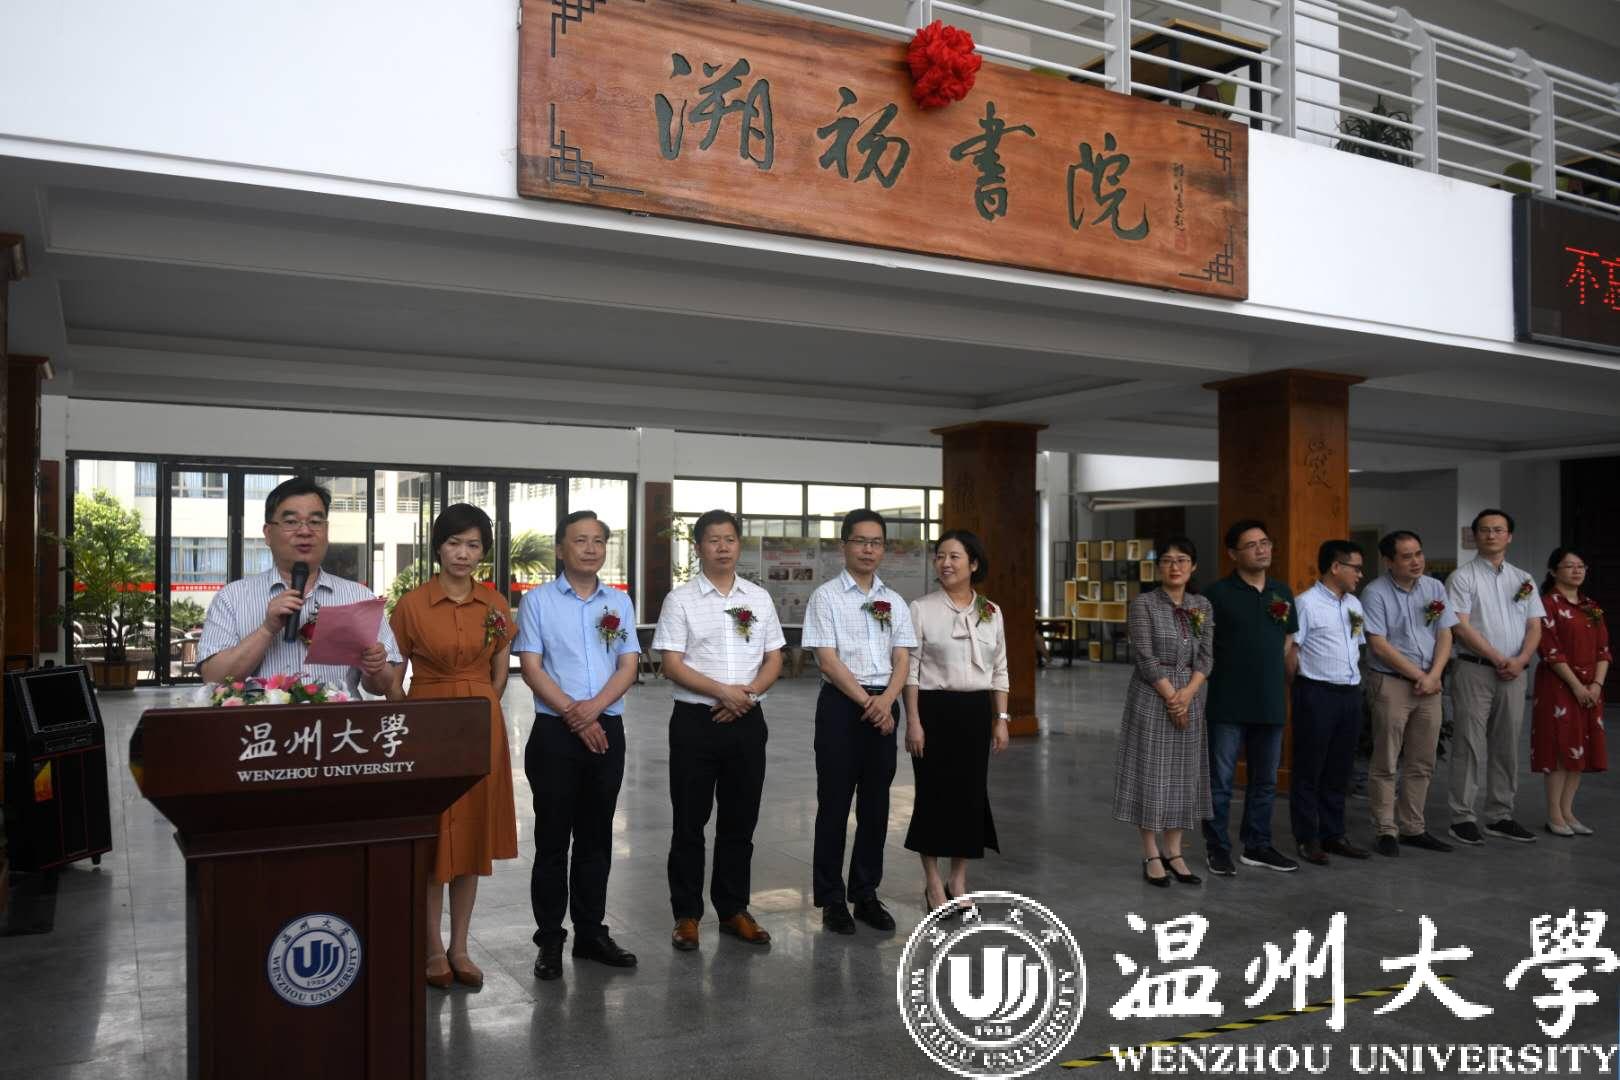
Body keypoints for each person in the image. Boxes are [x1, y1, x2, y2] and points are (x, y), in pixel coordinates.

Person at [389, 503, 519, 989]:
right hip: (429, 722)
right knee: (434, 835)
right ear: (438, 547)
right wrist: (409, 716)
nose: (463, 554)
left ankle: (460, 946)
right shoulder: (411, 605)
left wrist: (483, 701)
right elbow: (393, 675)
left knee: (472, 836)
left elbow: (501, 667)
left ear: (483, 552)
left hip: (480, 723)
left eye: (473, 545)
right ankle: (431, 947)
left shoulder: (495, 602)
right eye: (454, 543)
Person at [516, 510, 641, 979]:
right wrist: (574, 712)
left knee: (596, 836)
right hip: (555, 735)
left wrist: (593, 710)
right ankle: (550, 940)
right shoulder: (538, 602)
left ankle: (591, 933)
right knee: (552, 840)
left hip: (606, 730)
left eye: (598, 541)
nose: (590, 548)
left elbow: (628, 665)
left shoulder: (619, 601)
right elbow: (531, 668)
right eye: (580, 540)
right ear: (560, 549)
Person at [654, 509, 785, 952]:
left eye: (730, 539)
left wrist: (746, 696)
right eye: (713, 540)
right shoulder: (681, 600)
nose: (723, 547)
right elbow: (671, 664)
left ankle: (733, 910)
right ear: (698, 547)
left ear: (738, 545)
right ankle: (687, 915)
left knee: (740, 821)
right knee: (689, 822)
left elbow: (774, 657)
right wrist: (722, 693)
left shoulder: (759, 598)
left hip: (747, 720)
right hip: (696, 723)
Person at [803, 509, 916, 934]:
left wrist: (886, 701)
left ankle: (866, 893)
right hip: (841, 707)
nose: (868, 549)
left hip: (883, 705)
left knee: (876, 805)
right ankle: (832, 899)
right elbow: (827, 660)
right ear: (844, 545)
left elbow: (902, 657)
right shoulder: (826, 597)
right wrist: (869, 703)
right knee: (834, 804)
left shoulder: (895, 601)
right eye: (860, 541)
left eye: (876, 542)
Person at [198, 477, 400, 698]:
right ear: (268, 533)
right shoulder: (232, 598)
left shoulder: (359, 597)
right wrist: (267, 630)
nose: (305, 531)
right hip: (261, 719)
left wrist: (376, 665)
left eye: (315, 522)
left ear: (326, 531)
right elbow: (213, 678)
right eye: (291, 522)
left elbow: (381, 686)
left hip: (339, 719)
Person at [904, 530, 1009, 911]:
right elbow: (911, 670)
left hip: (975, 713)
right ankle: (933, 882)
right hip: (934, 711)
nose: (945, 563)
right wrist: (913, 721)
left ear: (973, 564)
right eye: (940, 556)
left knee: (969, 797)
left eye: (954, 557)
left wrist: (1001, 718)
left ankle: (958, 878)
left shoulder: (991, 611)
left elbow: (1000, 669)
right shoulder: (921, 609)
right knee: (932, 796)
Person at [1111, 536, 1213, 887]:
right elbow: (1145, 656)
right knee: (1152, 772)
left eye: (1182, 560)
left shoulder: (1201, 605)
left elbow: (1207, 656)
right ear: (1158, 567)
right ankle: (1151, 852)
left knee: (1184, 773)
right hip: (1152, 695)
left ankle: (1175, 851)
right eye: (1168, 560)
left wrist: (1189, 693)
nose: (1175, 566)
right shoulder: (1144, 604)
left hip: (1191, 692)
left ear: (1193, 566)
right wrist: (1173, 698)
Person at [1200, 520, 1300, 876]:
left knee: (1266, 781)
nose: (1262, 549)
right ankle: (1217, 848)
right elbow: (1201, 645)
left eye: (1265, 542)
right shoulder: (1216, 594)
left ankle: (1257, 845)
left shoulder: (1281, 592)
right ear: (1233, 553)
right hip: (1227, 701)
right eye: (1252, 544)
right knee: (1221, 782)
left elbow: (1288, 638)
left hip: (1270, 701)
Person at [1446, 508, 1545, 846]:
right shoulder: (1462, 577)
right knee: (1469, 744)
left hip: (1514, 673)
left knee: (1506, 745)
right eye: (1485, 530)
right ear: (1475, 536)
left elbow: (1535, 626)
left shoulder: (1524, 578)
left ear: (1509, 536)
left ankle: (1500, 815)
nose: (1491, 535)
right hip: (1474, 670)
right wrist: (1499, 657)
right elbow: (1460, 626)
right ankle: (1462, 817)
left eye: (1498, 529)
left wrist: (1522, 660)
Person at [1360, 530, 1456, 856]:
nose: (1416, 561)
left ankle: (1413, 826)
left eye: (1418, 554)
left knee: (1422, 760)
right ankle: (1386, 829)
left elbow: (1445, 633)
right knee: (1386, 760)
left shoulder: (1434, 588)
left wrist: (1435, 675)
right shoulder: (1375, 592)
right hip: (1391, 683)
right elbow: (1378, 644)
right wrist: (1421, 677)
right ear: (1389, 561)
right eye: (1406, 556)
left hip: (1430, 684)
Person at [1290, 540, 1370, 865]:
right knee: (1310, 768)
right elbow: (1292, 651)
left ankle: (1334, 834)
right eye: (1356, 568)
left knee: (1340, 768)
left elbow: (1356, 644)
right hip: (1316, 692)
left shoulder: (1354, 604)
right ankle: (1307, 837)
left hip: (1349, 693)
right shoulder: (1305, 604)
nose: (1360, 575)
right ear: (1336, 567)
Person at [1533, 547, 1610, 836]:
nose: (1577, 571)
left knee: (1580, 750)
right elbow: (1550, 651)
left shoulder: (1592, 606)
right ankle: (1554, 815)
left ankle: (1568, 812)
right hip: (1559, 688)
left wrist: (1596, 685)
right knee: (1559, 751)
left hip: (1590, 690)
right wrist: (1577, 687)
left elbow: (1604, 650)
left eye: (1581, 566)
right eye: (1569, 566)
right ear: (1554, 571)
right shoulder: (1546, 604)